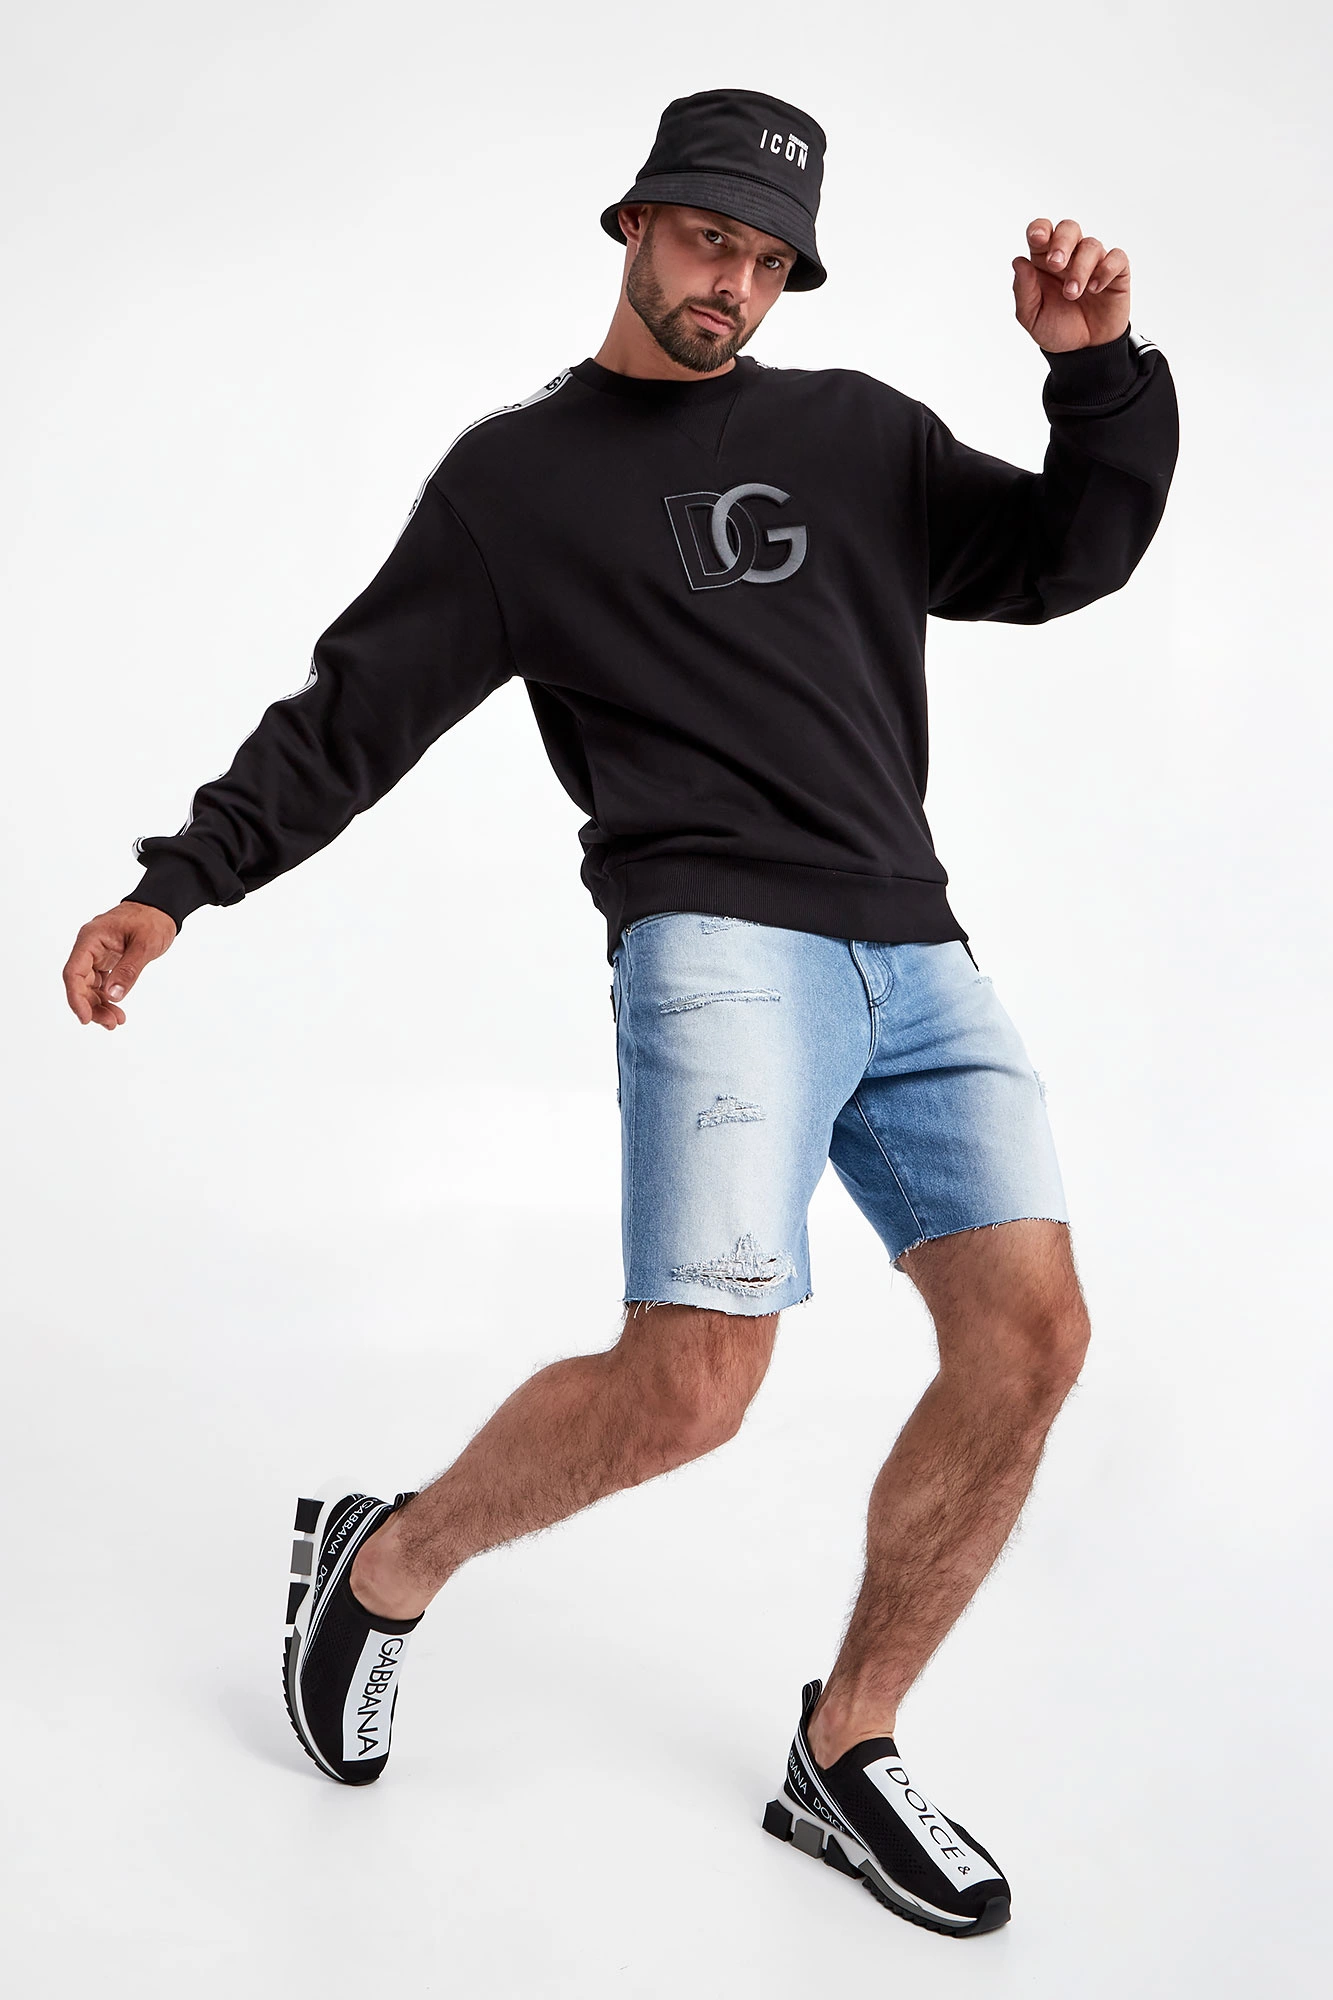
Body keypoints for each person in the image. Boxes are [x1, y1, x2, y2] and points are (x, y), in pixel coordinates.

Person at [61, 87, 1178, 1938]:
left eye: (767, 259)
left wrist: (1099, 372)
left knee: (1032, 1338)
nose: (731, 281)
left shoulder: (861, 436)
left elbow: (1069, 557)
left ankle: (847, 1744)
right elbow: (353, 718)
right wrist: (178, 883)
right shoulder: (518, 484)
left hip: (917, 949)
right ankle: (387, 1563)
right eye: (706, 237)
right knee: (691, 1390)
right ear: (635, 224)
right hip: (713, 942)